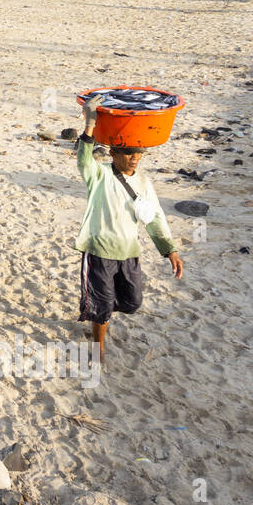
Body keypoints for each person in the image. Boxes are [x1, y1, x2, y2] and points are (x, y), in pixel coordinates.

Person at [74, 95, 183, 365]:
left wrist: (170, 250)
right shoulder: (99, 176)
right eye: (128, 153)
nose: (135, 158)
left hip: (129, 253)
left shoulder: (144, 181)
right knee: (102, 306)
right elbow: (83, 160)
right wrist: (90, 123)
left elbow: (155, 215)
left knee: (132, 303)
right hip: (99, 252)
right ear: (113, 153)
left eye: (139, 153)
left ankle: (102, 309)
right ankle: (99, 343)